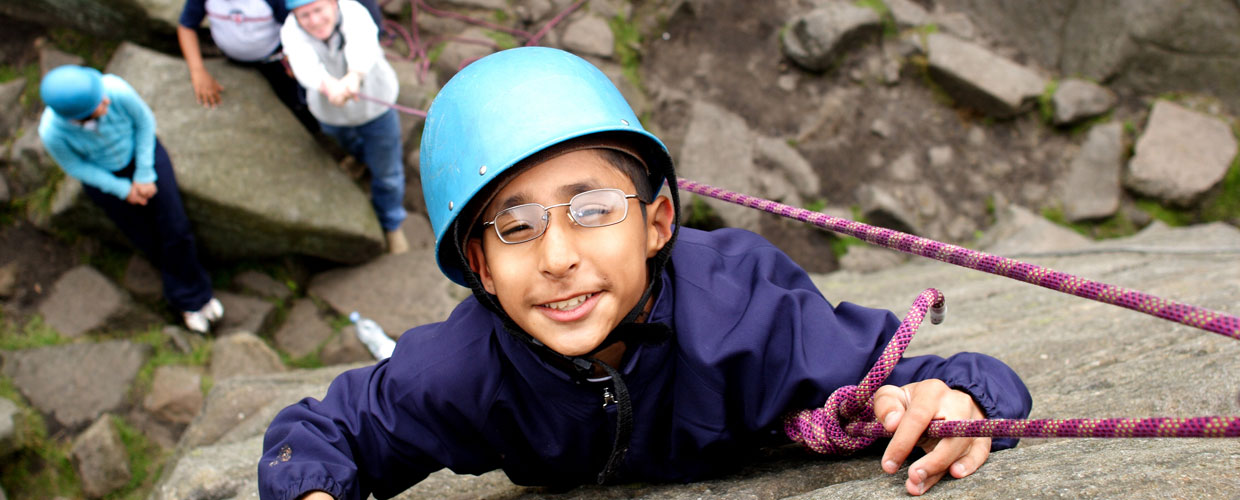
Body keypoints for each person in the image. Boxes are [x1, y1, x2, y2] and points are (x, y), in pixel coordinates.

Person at [258, 47, 1032, 500]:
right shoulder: (465, 373)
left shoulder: (745, 312)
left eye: (593, 208)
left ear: (659, 222)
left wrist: (963, 398)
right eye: (516, 227)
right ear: (481, 269)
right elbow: (323, 431)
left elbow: (915, 376)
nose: (559, 256)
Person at [38, 65, 224, 334]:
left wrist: (145, 174)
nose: (106, 102)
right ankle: (196, 296)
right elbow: (76, 168)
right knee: (148, 239)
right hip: (106, 178)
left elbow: (145, 123)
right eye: (99, 104)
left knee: (176, 228)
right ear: (77, 118)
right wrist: (123, 190)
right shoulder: (53, 133)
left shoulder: (114, 89)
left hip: (144, 158)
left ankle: (192, 300)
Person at [280, 0, 408, 254]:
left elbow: (363, 43)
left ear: (333, 3)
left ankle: (392, 224)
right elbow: (302, 62)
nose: (314, 20)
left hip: (376, 109)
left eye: (318, 10)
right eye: (304, 15)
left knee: (387, 173)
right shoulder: (290, 30)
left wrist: (354, 76)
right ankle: (360, 158)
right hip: (331, 114)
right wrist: (327, 85)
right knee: (346, 141)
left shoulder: (354, 12)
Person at [175, 0, 383, 134]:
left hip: (276, 59)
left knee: (296, 100)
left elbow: (298, 31)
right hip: (233, 60)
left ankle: (316, 131)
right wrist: (197, 70)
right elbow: (187, 25)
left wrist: (295, 61)